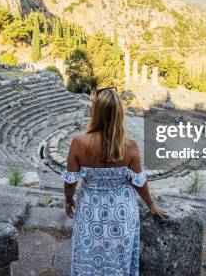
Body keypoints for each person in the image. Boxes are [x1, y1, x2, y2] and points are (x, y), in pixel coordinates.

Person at [62, 87, 167, 276]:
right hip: (122, 212)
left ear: (96, 111)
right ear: (120, 113)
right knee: (120, 260)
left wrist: (68, 201)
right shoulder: (130, 146)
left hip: (90, 210)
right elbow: (138, 181)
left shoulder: (79, 142)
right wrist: (151, 204)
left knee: (88, 256)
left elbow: (70, 181)